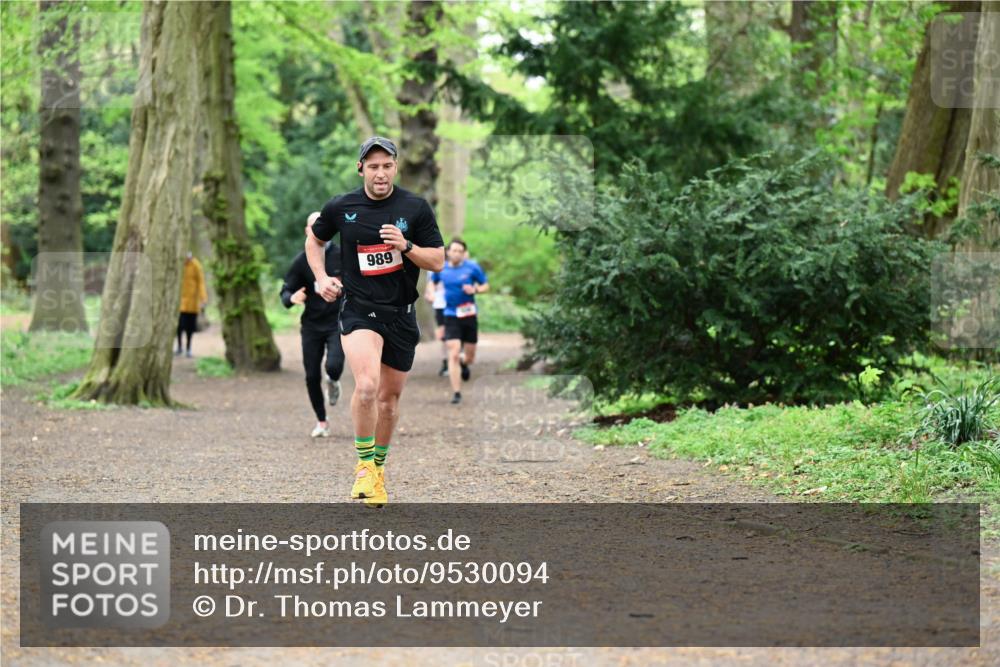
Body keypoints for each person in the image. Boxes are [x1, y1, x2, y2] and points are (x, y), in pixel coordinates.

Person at [306, 136, 444, 508]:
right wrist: (320, 278)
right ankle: (365, 466)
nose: (380, 173)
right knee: (366, 387)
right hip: (358, 308)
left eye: (386, 165)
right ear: (361, 168)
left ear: (395, 167)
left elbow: (438, 261)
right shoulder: (342, 206)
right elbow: (314, 240)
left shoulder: (415, 208)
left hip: (400, 313)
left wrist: (406, 246)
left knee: (388, 400)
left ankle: (378, 470)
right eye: (373, 166)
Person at [281, 215, 346, 439]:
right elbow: (286, 291)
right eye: (313, 225)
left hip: (338, 321)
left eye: (322, 224)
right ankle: (321, 420)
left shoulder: (342, 255)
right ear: (307, 230)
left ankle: (334, 380)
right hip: (311, 325)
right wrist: (291, 298)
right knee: (310, 376)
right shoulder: (301, 261)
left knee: (334, 366)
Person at [432, 238, 489, 405]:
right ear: (448, 252)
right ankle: (456, 393)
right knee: (454, 353)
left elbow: (485, 285)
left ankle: (465, 364)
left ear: (464, 254)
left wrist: (476, 289)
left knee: (469, 356)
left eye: (460, 251)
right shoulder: (440, 268)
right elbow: (432, 283)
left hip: (469, 315)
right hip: (450, 314)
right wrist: (430, 293)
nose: (456, 253)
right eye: (453, 250)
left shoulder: (472, 267)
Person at [176, 251, 207, 358]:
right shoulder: (179, 265)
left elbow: (201, 282)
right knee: (179, 326)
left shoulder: (196, 265)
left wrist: (203, 298)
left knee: (190, 328)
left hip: (193, 303)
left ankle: (188, 348)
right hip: (180, 302)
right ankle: (179, 346)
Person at [424, 270, 448, 376]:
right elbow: (429, 283)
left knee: (456, 333)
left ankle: (459, 358)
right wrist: (429, 294)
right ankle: (446, 362)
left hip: (457, 304)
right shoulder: (431, 269)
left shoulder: (459, 264)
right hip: (440, 304)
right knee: (443, 334)